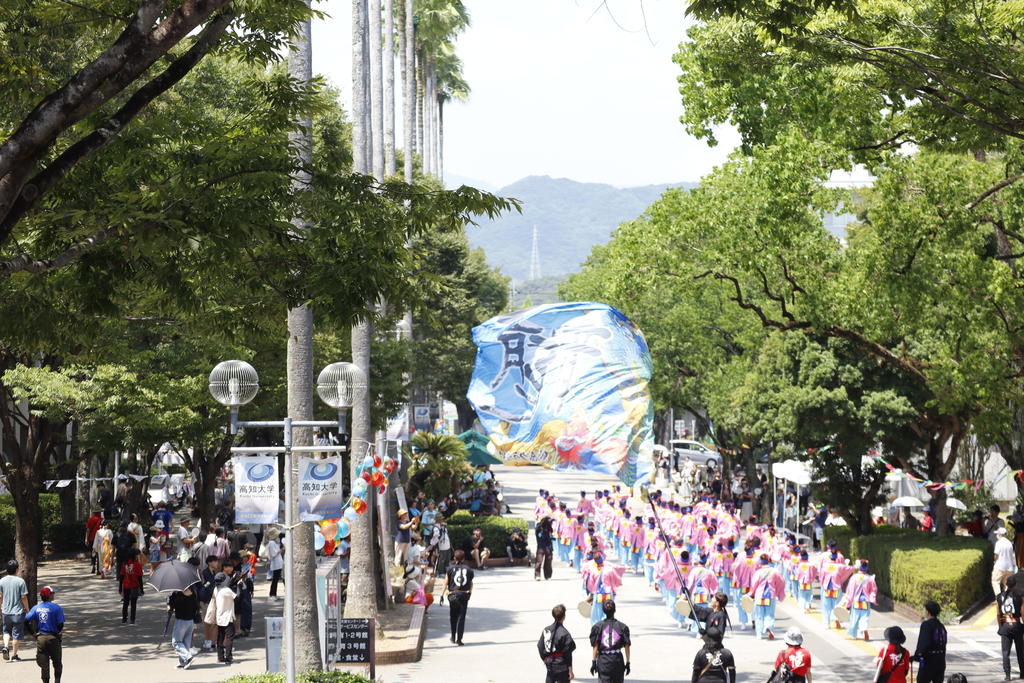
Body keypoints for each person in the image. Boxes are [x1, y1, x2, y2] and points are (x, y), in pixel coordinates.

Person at [25, 586, 63, 683]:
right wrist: (57, 633)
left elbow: (26, 620)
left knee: (44, 663)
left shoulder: (36, 608)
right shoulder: (56, 608)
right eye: (52, 593)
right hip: (53, 637)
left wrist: (33, 633)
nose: (54, 595)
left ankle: (45, 681)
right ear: (49, 596)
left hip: (41, 637)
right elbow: (60, 624)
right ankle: (57, 680)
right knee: (57, 661)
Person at [590, 599, 630, 683]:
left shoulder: (598, 627)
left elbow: (595, 645)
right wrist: (628, 662)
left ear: (603, 611)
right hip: (617, 660)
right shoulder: (622, 627)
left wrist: (593, 662)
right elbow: (627, 646)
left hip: (604, 661)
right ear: (615, 610)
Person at [538, 603, 576, 683]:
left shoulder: (546, 630)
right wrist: (570, 671)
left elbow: (540, 646)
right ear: (564, 617)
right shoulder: (565, 634)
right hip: (562, 667)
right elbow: (568, 654)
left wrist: (545, 659)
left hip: (550, 666)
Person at [0, 560, 29, 662]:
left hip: (6, 612)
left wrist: (0, 608)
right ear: (17, 569)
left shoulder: (1, 581)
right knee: (16, 634)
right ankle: (14, 655)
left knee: (6, 631)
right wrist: (28, 609)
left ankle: (6, 647)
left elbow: (0, 597)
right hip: (18, 612)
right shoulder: (20, 581)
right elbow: (23, 597)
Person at [205, 572, 236, 664]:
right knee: (230, 637)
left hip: (219, 617)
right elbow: (237, 596)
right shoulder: (226, 590)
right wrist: (238, 585)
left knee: (220, 637)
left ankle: (220, 656)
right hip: (227, 617)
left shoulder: (216, 589)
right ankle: (229, 657)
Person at [912, 600, 947, 683]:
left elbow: (924, 643)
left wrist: (917, 655)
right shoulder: (941, 626)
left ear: (928, 612)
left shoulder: (926, 625)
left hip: (928, 662)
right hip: (940, 661)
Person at [445, 549, 474, 645]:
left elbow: (446, 582)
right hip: (464, 594)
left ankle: (453, 637)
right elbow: (470, 583)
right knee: (461, 618)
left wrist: (443, 593)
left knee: (453, 617)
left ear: (454, 558)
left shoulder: (449, 568)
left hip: (453, 594)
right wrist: (470, 592)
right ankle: (459, 639)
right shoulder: (469, 569)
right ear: (464, 558)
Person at [998, 575, 1024, 681]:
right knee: (1020, 651)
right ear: (1016, 585)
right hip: (1017, 625)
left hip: (1005, 626)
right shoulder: (1019, 596)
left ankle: (1007, 675)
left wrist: (1001, 626)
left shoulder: (999, 597)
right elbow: (1022, 613)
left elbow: (998, 614)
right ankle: (1022, 673)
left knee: (1005, 652)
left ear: (1006, 584)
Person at [168, 582, 198, 669]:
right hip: (190, 621)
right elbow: (196, 607)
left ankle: (188, 657)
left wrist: (169, 601)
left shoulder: (177, 594)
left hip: (181, 621)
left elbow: (171, 606)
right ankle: (183, 662)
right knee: (186, 642)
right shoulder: (192, 592)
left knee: (176, 642)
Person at [119, 547, 144, 625]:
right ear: (134, 556)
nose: (137, 556)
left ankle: (124, 619)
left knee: (125, 603)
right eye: (137, 555)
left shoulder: (124, 564)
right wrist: (142, 589)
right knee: (133, 604)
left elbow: (121, 577)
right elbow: (140, 578)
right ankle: (132, 620)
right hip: (135, 586)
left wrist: (120, 588)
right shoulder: (137, 565)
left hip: (126, 586)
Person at [995, 527, 1016, 598]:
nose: (996, 535)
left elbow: (996, 555)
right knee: (1007, 584)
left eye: (997, 534)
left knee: (995, 581)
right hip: (1009, 567)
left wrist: (994, 561)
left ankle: (999, 598)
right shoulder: (1009, 543)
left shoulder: (998, 543)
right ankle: (1007, 598)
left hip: (1000, 567)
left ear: (1000, 534)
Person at [266, 528, 284, 600]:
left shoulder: (273, 542)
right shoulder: (272, 543)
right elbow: (273, 554)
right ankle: (272, 594)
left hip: (277, 563)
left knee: (275, 579)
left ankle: (274, 594)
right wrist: (281, 550)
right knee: (275, 579)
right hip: (276, 563)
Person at [535, 516, 554, 581]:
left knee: (548, 561)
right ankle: (537, 575)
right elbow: (538, 535)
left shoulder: (549, 528)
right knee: (539, 561)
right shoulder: (539, 527)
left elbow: (551, 534)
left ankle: (548, 576)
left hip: (548, 546)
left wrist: (551, 538)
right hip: (541, 546)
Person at [85, 509, 103, 575]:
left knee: (93, 553)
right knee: (99, 554)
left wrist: (86, 538)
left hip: (92, 538)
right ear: (99, 512)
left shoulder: (90, 519)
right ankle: (99, 569)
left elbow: (88, 530)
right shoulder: (102, 519)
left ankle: (93, 566)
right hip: (100, 539)